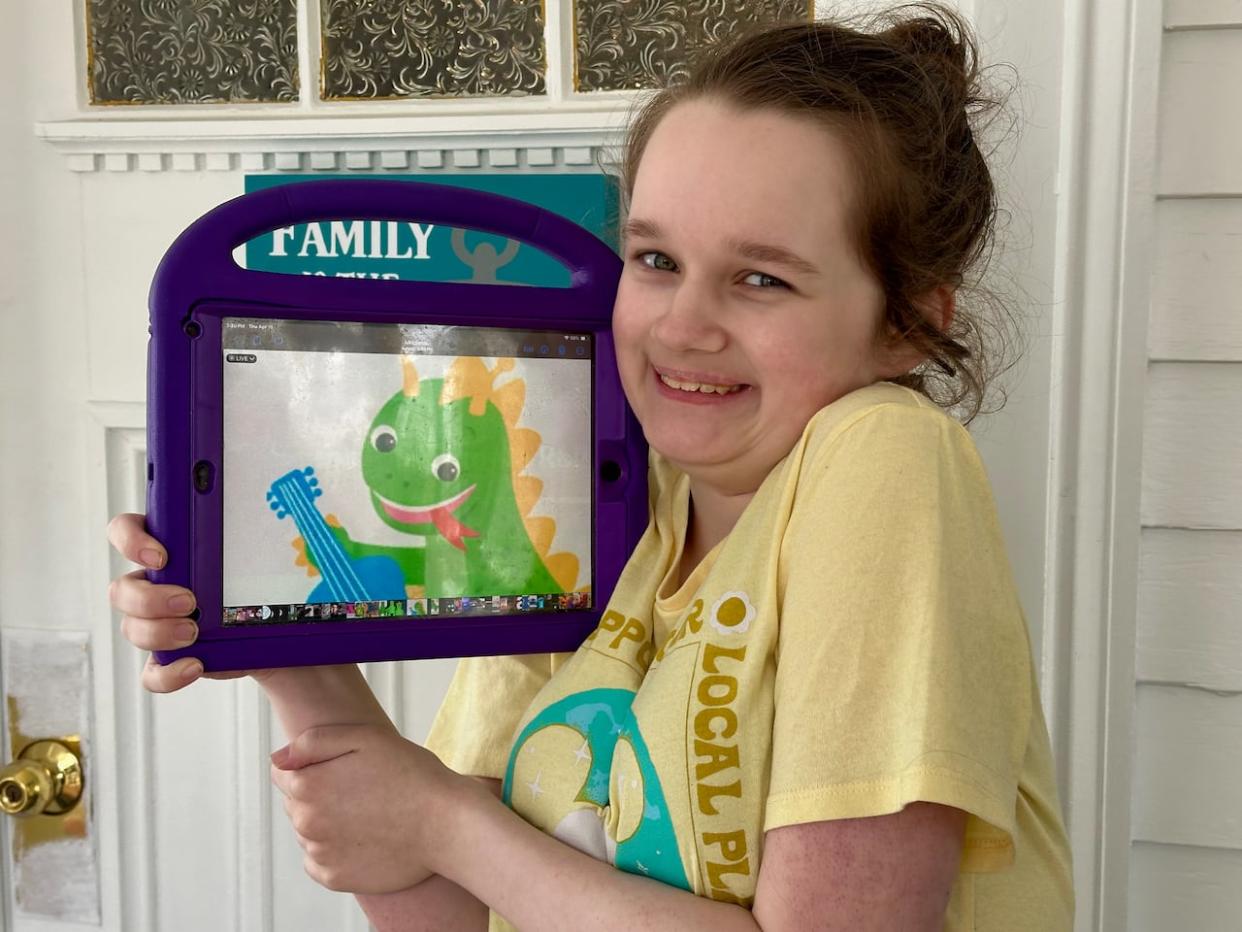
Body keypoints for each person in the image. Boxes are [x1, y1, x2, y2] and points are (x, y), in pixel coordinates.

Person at [107, 5, 1074, 929]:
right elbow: (454, 910)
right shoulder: (609, 501)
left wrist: (441, 818)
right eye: (655, 260)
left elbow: (447, 832)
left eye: (760, 278)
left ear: (908, 325)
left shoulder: (882, 457)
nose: (682, 327)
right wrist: (279, 642)